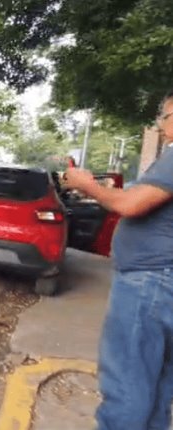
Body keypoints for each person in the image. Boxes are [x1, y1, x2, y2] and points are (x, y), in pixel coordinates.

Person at [64, 90, 173, 430]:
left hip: (150, 282)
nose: (161, 123)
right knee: (155, 388)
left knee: (127, 387)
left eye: (165, 116)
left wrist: (87, 185)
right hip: (162, 283)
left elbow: (131, 205)